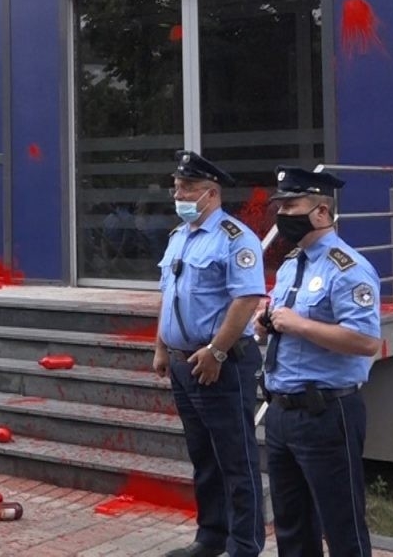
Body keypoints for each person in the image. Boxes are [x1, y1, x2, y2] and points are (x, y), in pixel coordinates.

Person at [258, 166, 382, 557]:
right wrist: (267, 325)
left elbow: (366, 341)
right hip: (281, 409)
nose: (282, 214)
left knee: (341, 523)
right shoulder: (293, 263)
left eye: (292, 205)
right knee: (292, 526)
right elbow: (284, 323)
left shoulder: (349, 268)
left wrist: (299, 324)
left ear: (322, 213)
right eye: (280, 205)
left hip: (326, 412)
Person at [154, 151, 266, 557]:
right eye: (177, 187)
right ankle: (210, 537)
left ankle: (244, 544)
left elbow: (247, 298)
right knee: (203, 457)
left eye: (187, 188)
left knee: (236, 459)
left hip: (222, 363)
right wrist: (161, 346)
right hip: (184, 363)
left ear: (211, 193)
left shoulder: (235, 238)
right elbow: (170, 295)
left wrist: (216, 352)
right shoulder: (179, 237)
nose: (178, 194)